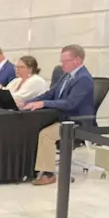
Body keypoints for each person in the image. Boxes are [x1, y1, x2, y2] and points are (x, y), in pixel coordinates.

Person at [22, 45, 95, 186]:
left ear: (77, 60)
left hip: (76, 122)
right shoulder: (66, 76)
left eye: (66, 61)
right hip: (62, 117)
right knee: (32, 127)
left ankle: (49, 174)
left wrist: (43, 104)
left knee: (46, 134)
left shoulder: (84, 79)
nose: (62, 65)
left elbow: (70, 104)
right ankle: (32, 168)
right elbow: (50, 94)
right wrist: (27, 102)